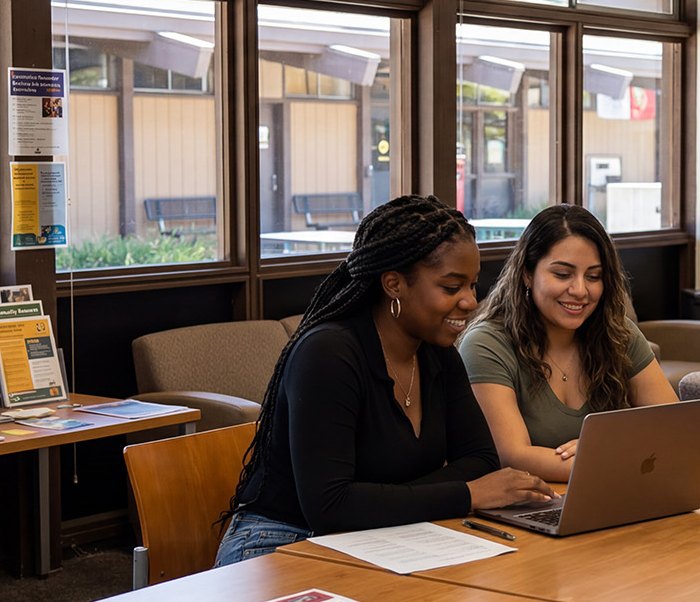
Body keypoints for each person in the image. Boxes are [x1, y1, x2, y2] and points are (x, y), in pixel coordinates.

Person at [216, 195, 554, 566]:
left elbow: (481, 459)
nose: (470, 302)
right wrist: (466, 494)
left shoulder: (437, 352)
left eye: (472, 285)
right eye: (451, 287)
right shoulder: (328, 354)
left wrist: (383, 501)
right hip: (279, 541)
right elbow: (329, 507)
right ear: (394, 284)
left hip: (386, 534)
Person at [459, 204, 677, 482]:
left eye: (594, 276)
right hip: (527, 507)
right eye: (562, 274)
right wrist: (611, 455)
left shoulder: (619, 332)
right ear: (527, 273)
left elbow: (672, 426)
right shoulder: (486, 344)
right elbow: (512, 456)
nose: (580, 290)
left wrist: (607, 448)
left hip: (609, 494)